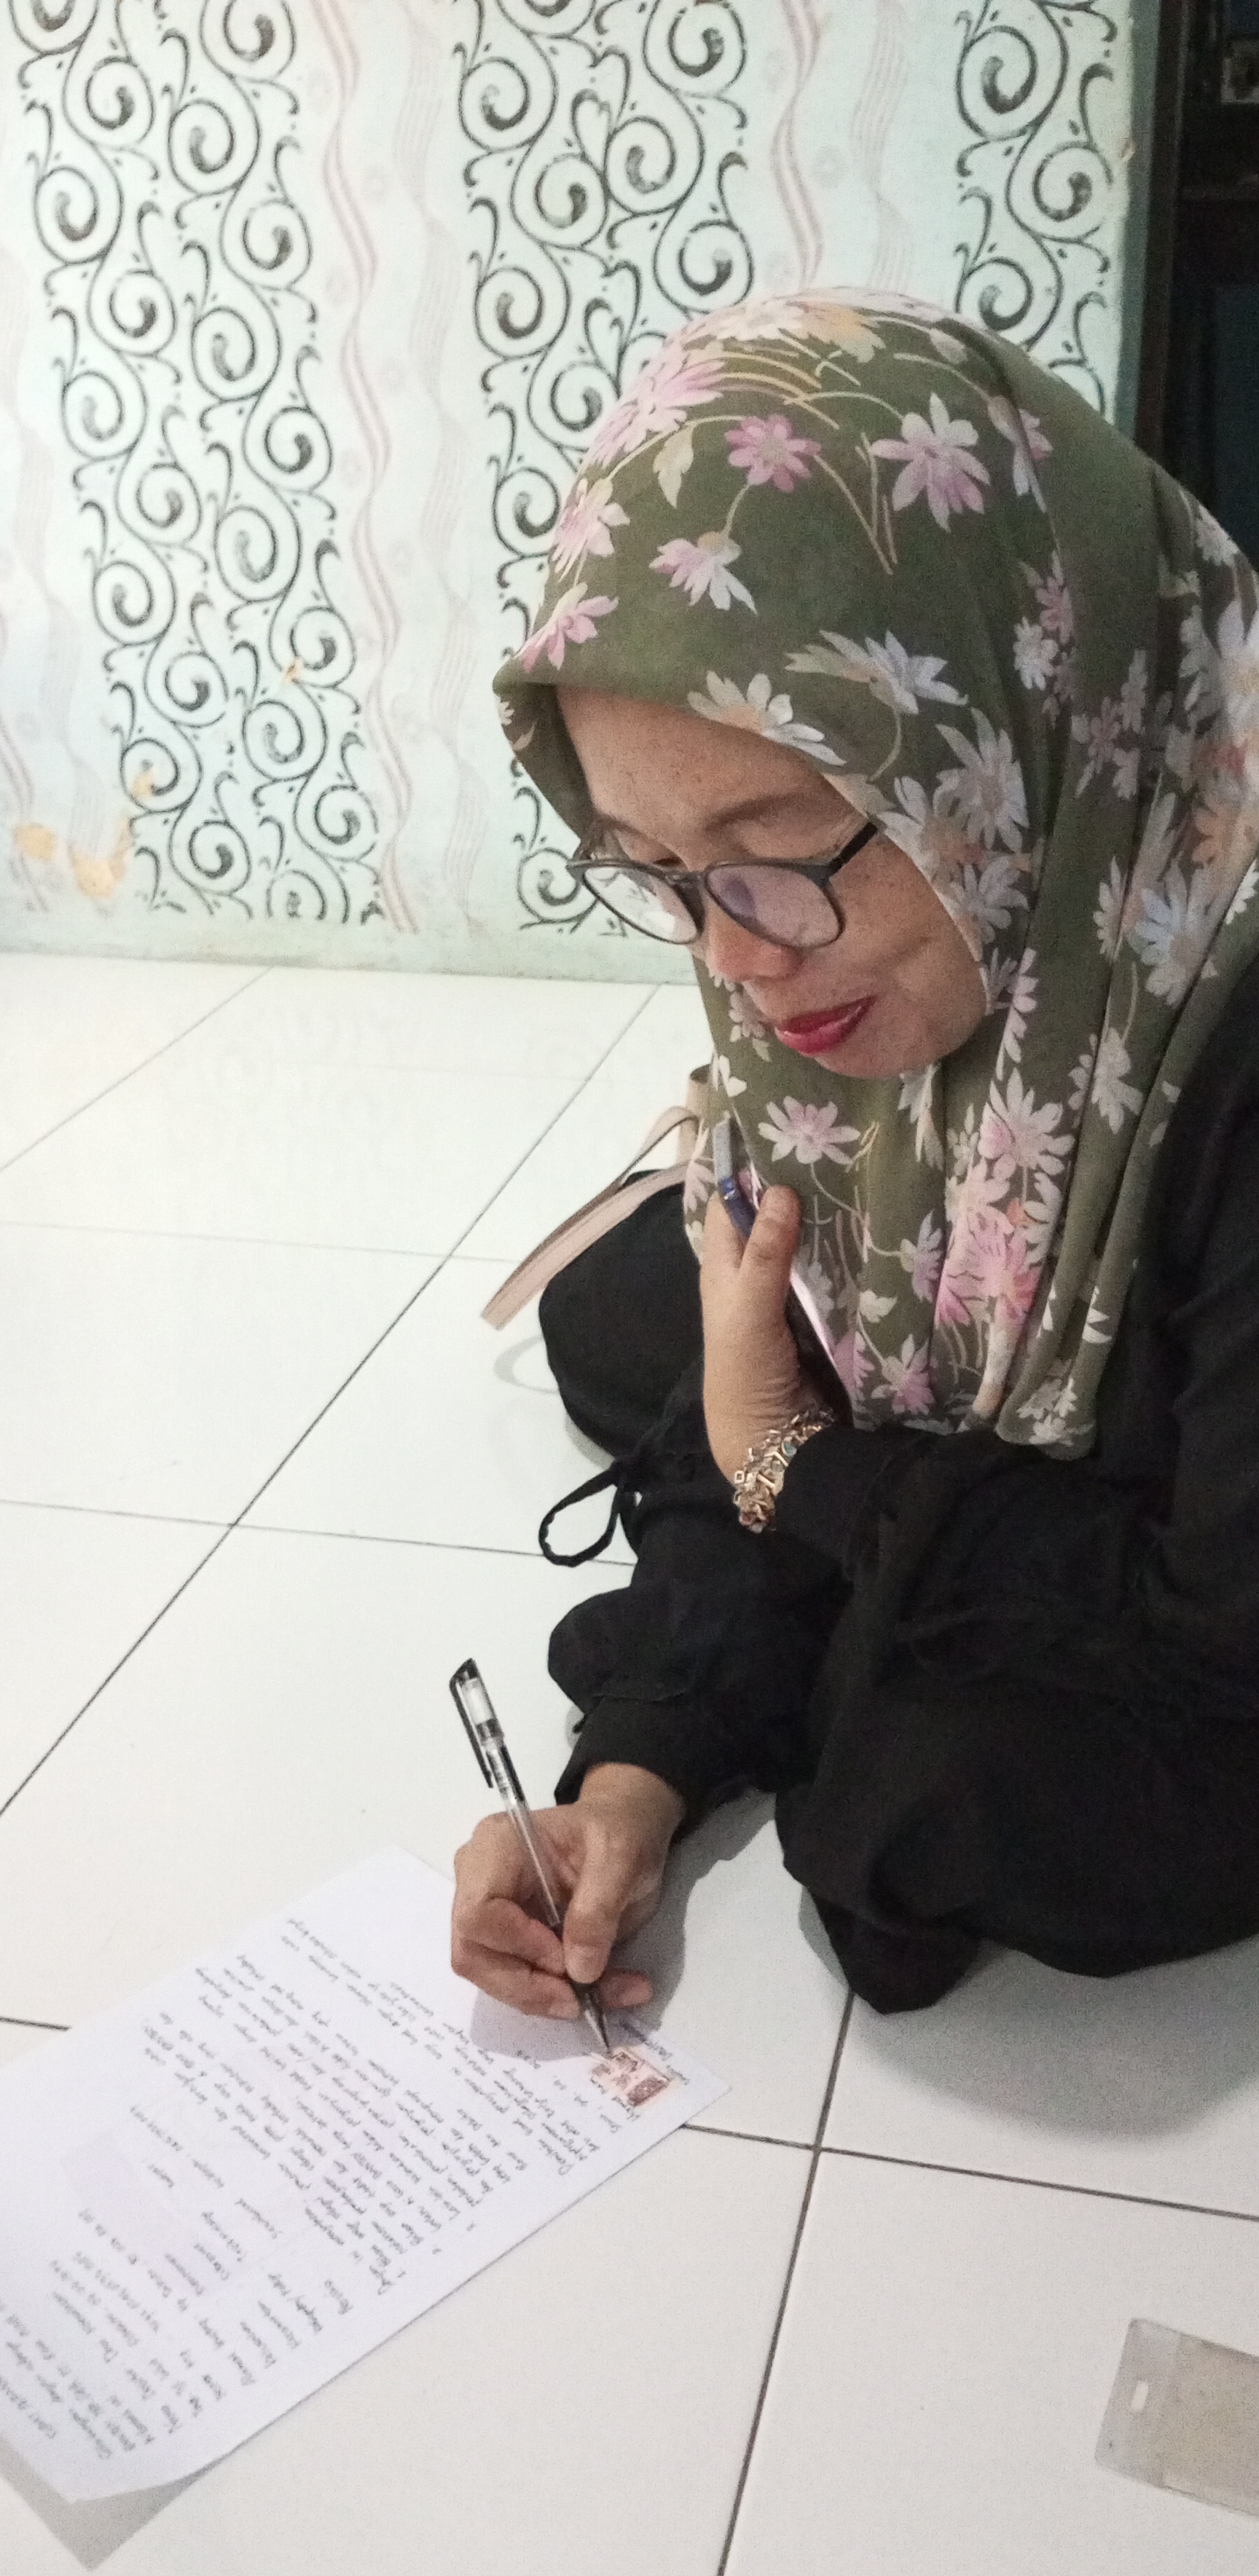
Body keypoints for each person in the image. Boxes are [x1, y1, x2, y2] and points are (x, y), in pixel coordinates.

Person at [451, 288, 1259, 2022]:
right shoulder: (824, 948)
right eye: (663, 872)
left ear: (1019, 737)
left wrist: (787, 1465)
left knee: (923, 1805)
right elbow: (790, 1359)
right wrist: (635, 1774)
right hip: (998, 1399)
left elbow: (1215, 1626)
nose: (736, 959)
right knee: (630, 1315)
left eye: (775, 849)